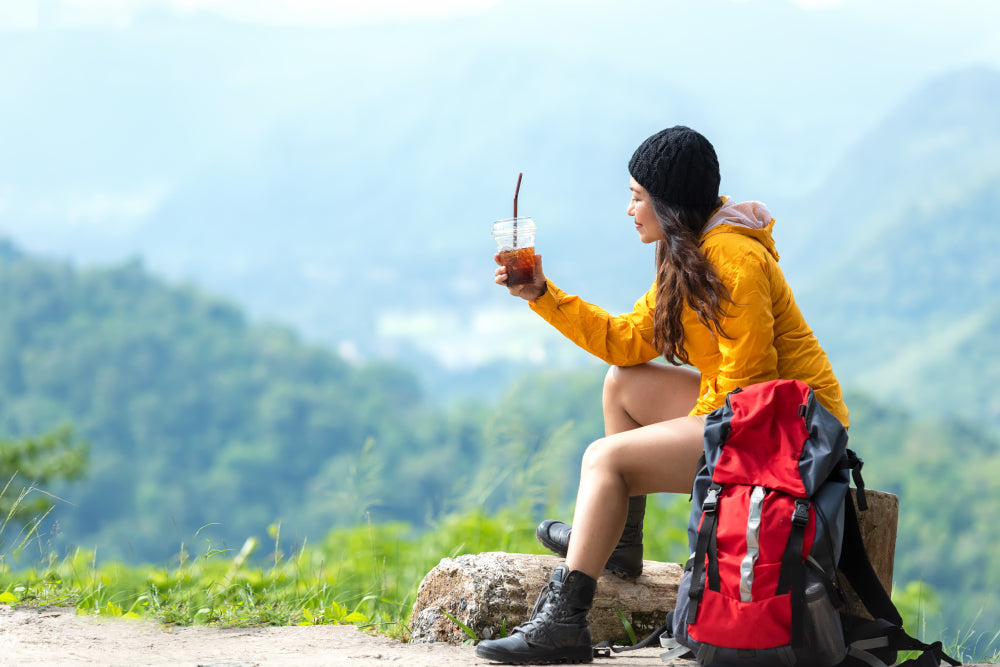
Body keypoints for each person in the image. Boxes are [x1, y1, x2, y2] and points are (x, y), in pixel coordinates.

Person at [475, 125, 849, 665]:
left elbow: (751, 386)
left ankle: (563, 622)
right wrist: (542, 294)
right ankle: (619, 545)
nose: (629, 209)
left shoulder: (732, 261)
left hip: (795, 432)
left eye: (637, 196)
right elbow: (626, 341)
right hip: (756, 409)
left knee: (605, 459)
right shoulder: (689, 252)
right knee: (623, 384)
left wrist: (668, 441)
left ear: (668, 203)